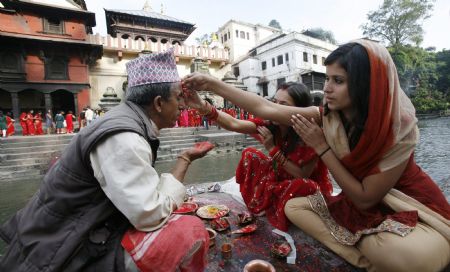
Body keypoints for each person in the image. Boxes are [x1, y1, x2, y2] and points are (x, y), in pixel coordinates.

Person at [183, 40, 450, 272]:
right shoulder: (323, 118)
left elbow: (366, 199)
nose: (327, 88)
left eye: (338, 81)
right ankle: (366, 254)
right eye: (328, 79)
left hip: (401, 205)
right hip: (352, 202)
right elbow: (260, 108)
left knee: (415, 260)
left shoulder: (397, 128)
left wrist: (320, 146)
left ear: (363, 86)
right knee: (291, 205)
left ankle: (371, 254)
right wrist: (212, 86)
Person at [0, 48, 213, 272]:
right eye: (179, 98)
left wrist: (184, 159)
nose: (183, 105)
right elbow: (149, 214)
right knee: (188, 231)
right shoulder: (124, 138)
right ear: (159, 103)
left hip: (65, 234)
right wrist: (184, 160)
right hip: (61, 248)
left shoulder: (127, 121)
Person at [187, 82, 332, 231]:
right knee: (250, 154)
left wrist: (272, 149)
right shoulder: (270, 124)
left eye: (282, 104)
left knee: (304, 184)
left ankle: (276, 206)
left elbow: (302, 175)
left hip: (299, 186)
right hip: (278, 178)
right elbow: (234, 124)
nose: (274, 108)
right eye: (274, 102)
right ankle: (266, 204)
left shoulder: (310, 132)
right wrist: (202, 106)